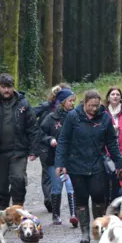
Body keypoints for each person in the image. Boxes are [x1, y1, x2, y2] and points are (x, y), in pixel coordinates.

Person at [54, 89, 122, 243]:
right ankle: (85, 231)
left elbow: (112, 143)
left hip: (97, 163)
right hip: (76, 164)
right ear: (84, 103)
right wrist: (60, 163)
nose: (94, 109)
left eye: (97, 106)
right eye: (91, 106)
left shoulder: (105, 117)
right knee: (81, 197)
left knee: (99, 194)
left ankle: (99, 227)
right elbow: (63, 141)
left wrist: (119, 164)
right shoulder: (73, 117)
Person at [0, 73, 41, 210]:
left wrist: (34, 150)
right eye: (3, 87)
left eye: (9, 87)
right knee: (1, 185)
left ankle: (18, 209)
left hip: (18, 151)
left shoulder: (23, 103)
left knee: (18, 179)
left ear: (13, 87)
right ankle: (2, 211)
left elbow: (33, 128)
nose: (7, 90)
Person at [39, 87, 78, 226]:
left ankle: (74, 214)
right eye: (69, 101)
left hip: (71, 159)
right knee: (56, 187)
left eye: (73, 101)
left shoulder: (75, 116)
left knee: (70, 185)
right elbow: (40, 134)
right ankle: (56, 215)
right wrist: (50, 139)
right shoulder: (51, 118)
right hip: (53, 159)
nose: (72, 103)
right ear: (62, 102)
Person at [33, 83, 71, 214]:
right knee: (48, 173)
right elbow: (30, 117)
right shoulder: (46, 107)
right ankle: (49, 199)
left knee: (62, 173)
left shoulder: (70, 112)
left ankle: (56, 197)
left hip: (61, 147)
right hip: (45, 147)